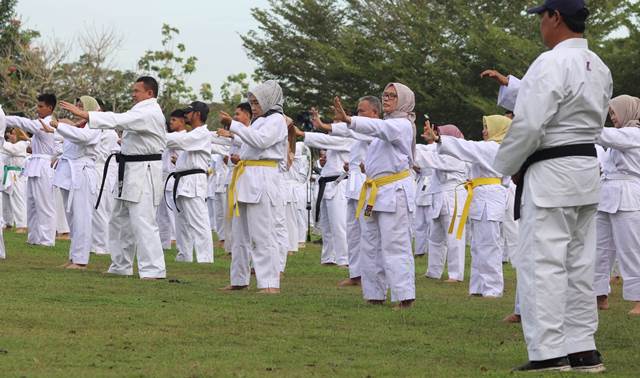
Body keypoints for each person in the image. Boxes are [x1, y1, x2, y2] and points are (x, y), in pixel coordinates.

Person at [493, 1, 612, 372]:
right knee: (579, 263)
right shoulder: (601, 67)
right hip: (585, 169)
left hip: (552, 169)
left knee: (542, 263)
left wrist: (508, 166)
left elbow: (529, 125)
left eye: (542, 18)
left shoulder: (551, 62)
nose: (540, 26)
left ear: (555, 18)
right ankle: (582, 348)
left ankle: (547, 352)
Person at [60, 76, 167, 280]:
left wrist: (87, 115)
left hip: (144, 169)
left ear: (149, 93)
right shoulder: (140, 111)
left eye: (136, 91)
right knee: (119, 219)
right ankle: (121, 264)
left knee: (142, 219)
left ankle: (154, 269)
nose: (133, 94)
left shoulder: (150, 112)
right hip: (127, 168)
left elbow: (119, 119)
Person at [332, 83, 416, 309]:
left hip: (394, 191)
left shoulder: (403, 125)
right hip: (374, 191)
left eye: (392, 96)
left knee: (395, 245)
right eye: (385, 95)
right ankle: (374, 294)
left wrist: (350, 119)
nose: (387, 98)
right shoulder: (385, 126)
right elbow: (375, 134)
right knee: (370, 244)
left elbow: (379, 129)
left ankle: (404, 296)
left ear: (404, 100)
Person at [218, 80, 287, 294]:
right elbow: (249, 144)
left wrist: (235, 126)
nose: (254, 107)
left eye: (257, 103)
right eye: (252, 102)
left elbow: (261, 142)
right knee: (239, 235)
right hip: (246, 177)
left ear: (268, 101)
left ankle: (269, 283)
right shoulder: (258, 121)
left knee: (263, 234)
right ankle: (239, 279)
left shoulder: (277, 120)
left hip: (263, 177)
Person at [42, 96, 101, 270]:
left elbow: (82, 138)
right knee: (72, 218)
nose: (76, 110)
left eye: (81, 107)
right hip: (69, 173)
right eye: (76, 106)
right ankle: (73, 257)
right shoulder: (76, 127)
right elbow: (65, 141)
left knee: (82, 217)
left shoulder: (95, 126)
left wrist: (60, 126)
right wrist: (58, 128)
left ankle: (81, 260)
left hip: (82, 174)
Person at [593, 95, 640, 316]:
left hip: (628, 195)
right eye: (610, 113)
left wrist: (579, 122)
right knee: (600, 249)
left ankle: (639, 298)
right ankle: (598, 294)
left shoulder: (634, 134)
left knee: (630, 249)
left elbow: (603, 135)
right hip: (607, 195)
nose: (612, 117)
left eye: (615, 113)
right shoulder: (620, 138)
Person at [417, 124, 469, 283]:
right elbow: (426, 151)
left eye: (440, 135)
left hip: (453, 197)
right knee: (435, 237)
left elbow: (429, 158)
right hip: (439, 196)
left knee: (454, 238)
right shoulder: (441, 151)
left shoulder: (456, 156)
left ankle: (455, 274)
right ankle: (433, 271)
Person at [6, 94, 57, 246]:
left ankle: (47, 240)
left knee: (44, 204)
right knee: (32, 204)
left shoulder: (47, 124)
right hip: (35, 163)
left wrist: (4, 118)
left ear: (50, 108)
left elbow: (21, 122)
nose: (38, 109)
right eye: (38, 105)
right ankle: (34, 237)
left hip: (44, 165)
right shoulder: (40, 124)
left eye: (41, 106)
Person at [167, 101, 214, 264]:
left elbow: (181, 141)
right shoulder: (194, 134)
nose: (186, 115)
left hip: (194, 181)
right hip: (183, 180)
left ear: (197, 115)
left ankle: (205, 258)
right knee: (182, 222)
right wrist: (180, 162)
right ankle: (184, 255)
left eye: (189, 112)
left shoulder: (202, 133)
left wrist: (154, 135)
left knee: (198, 221)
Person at [91, 100, 120, 255]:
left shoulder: (108, 132)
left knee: (101, 208)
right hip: (96, 170)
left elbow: (103, 155)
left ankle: (102, 245)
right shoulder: (96, 130)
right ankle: (95, 243)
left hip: (103, 171)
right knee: (95, 209)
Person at [158, 109, 186, 250]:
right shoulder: (171, 136)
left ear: (182, 121)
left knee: (173, 212)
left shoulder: (182, 137)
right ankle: (164, 242)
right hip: (163, 178)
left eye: (174, 120)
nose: (171, 122)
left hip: (175, 178)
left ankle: (175, 239)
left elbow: (164, 140)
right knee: (162, 214)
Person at [2, 127, 29, 233]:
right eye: (10, 134)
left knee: (18, 199)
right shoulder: (9, 145)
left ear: (18, 135)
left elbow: (12, 150)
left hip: (16, 175)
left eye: (13, 134)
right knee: (5, 201)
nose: (11, 136)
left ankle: (22, 225)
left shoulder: (22, 144)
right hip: (7, 174)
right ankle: (8, 223)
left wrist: (1, 141)